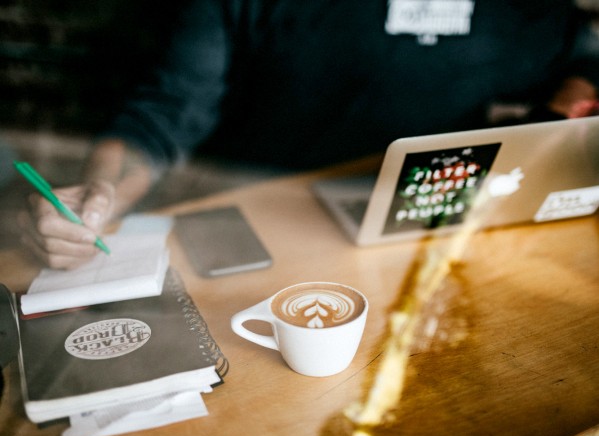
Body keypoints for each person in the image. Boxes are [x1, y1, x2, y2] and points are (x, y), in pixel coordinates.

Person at [19, 0, 599, 269]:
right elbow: (158, 119)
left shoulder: (523, 12)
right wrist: (96, 198)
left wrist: (568, 101)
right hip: (256, 238)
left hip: (435, 239)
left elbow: (583, 54)